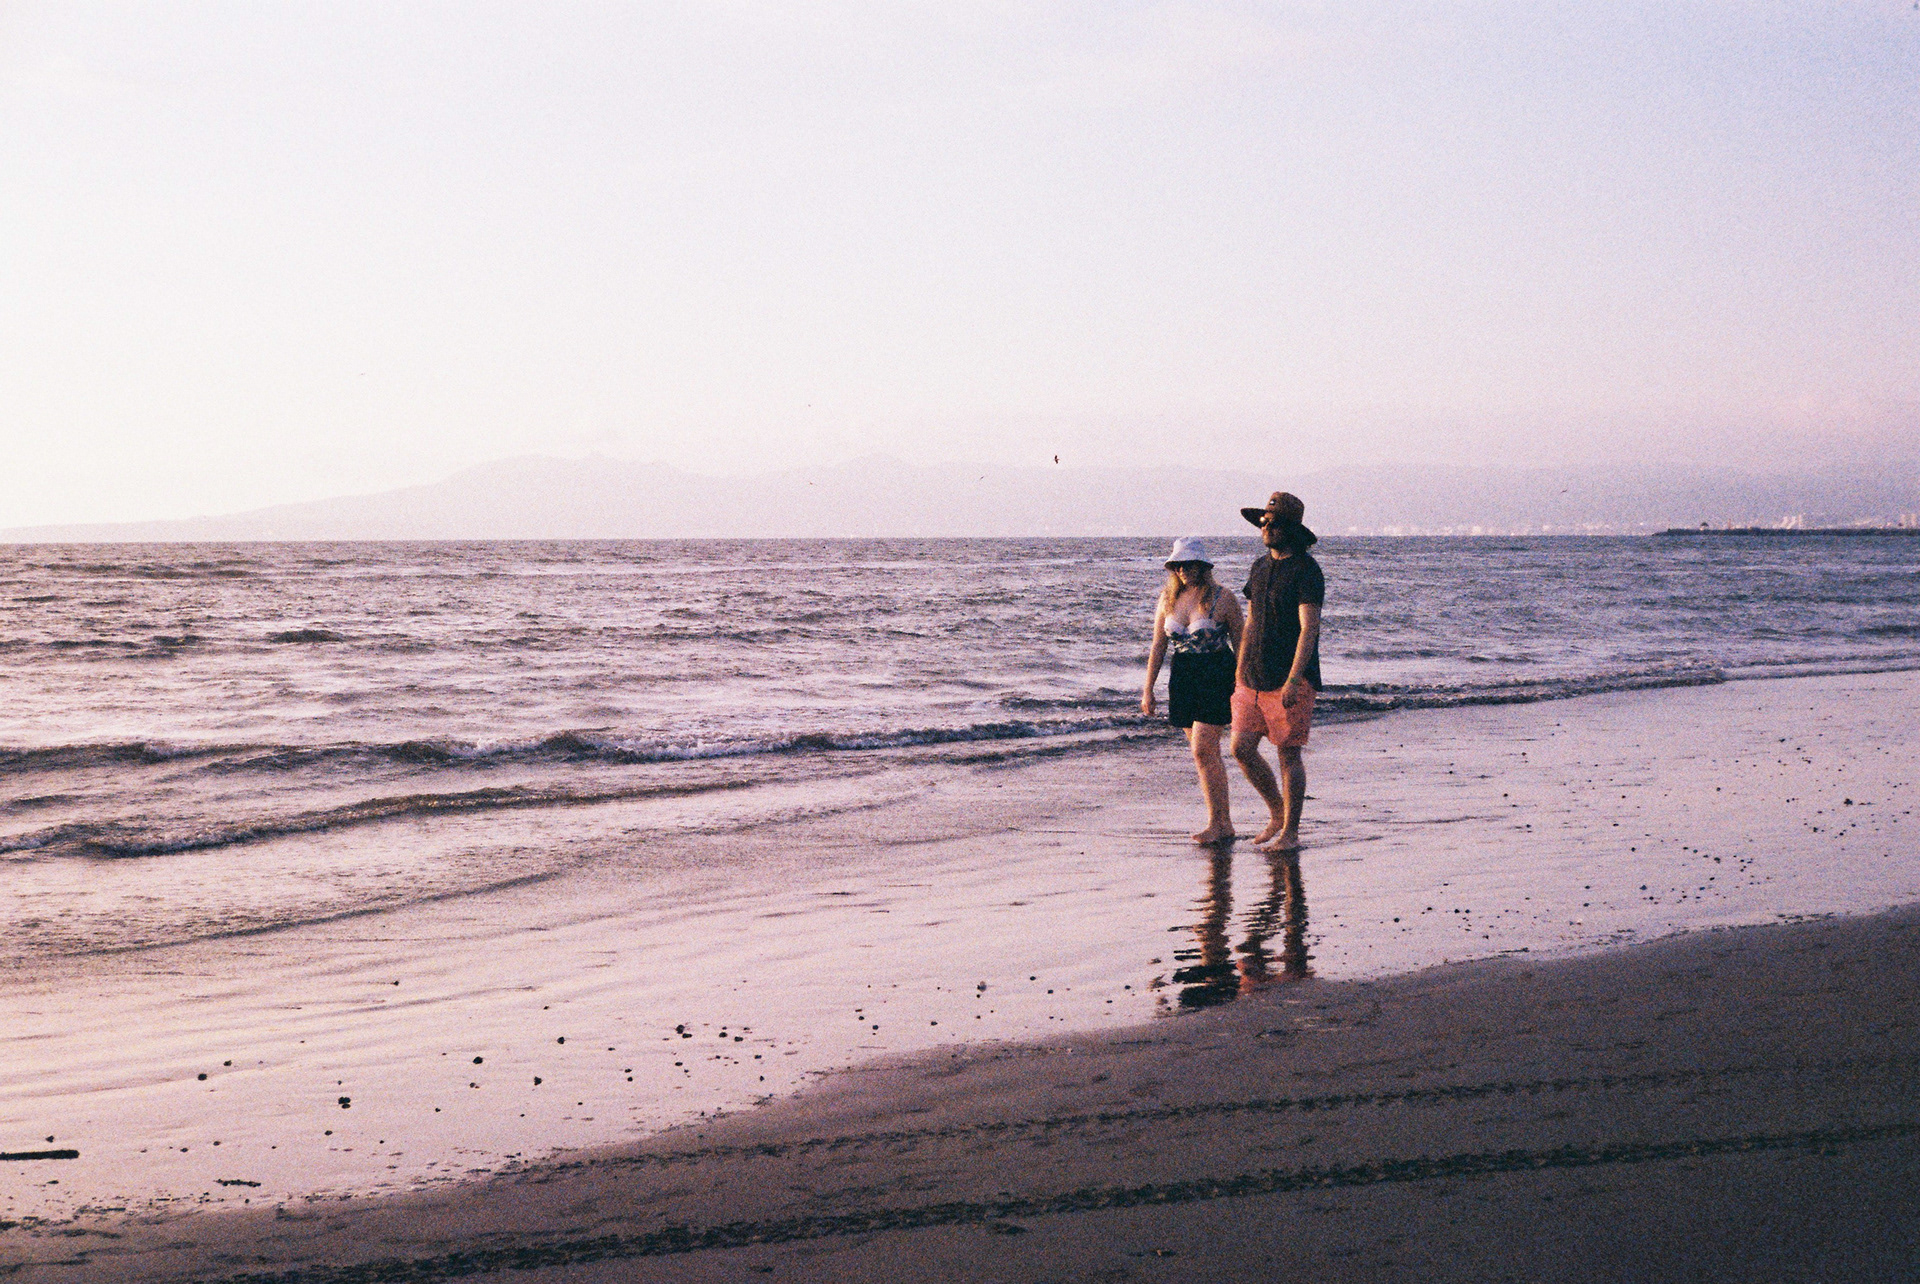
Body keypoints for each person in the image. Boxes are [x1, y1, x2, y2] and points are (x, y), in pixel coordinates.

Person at [1230, 492, 1324, 851]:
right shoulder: (1259, 566)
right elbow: (1252, 619)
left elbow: (1308, 629)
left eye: (1275, 523)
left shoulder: (1306, 570)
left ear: (1291, 529)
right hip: (1252, 674)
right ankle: (1276, 813)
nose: (1267, 527)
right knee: (1241, 748)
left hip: (1289, 677)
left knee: (1288, 753)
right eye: (1264, 522)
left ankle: (1291, 832)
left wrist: (1294, 679)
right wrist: (1239, 667)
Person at [1141, 536, 1244, 844]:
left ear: (1202, 566)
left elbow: (1242, 645)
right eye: (1178, 565)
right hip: (1183, 675)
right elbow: (1158, 645)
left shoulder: (1223, 597)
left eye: (1189, 564)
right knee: (1204, 754)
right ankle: (1223, 823)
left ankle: (1218, 823)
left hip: (1216, 673)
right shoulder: (1167, 599)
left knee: (1203, 750)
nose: (1183, 569)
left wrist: (1244, 683)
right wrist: (1148, 689)